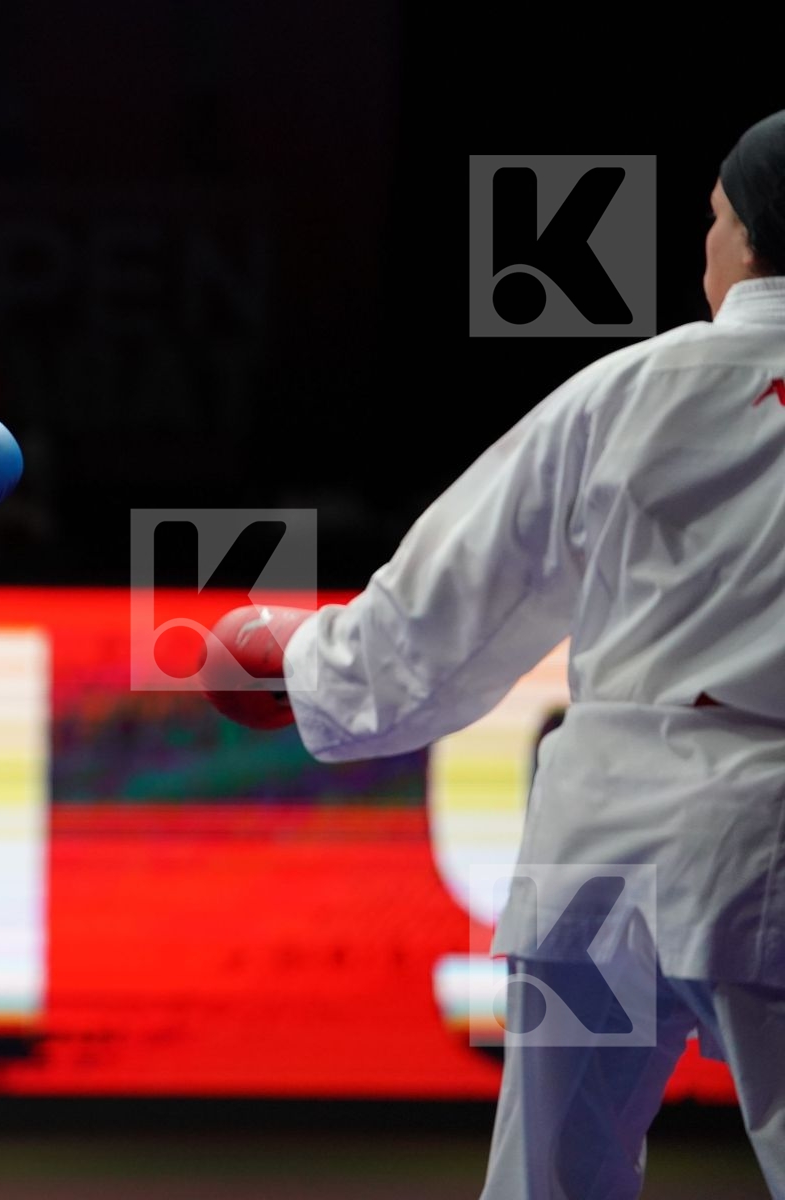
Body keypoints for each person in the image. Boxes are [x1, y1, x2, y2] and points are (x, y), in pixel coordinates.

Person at [202, 111, 785, 1198]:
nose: (699, 247)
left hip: (599, 850)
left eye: (710, 220)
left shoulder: (630, 390)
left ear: (748, 238)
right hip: (762, 853)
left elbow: (461, 589)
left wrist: (306, 666)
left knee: (549, 1185)